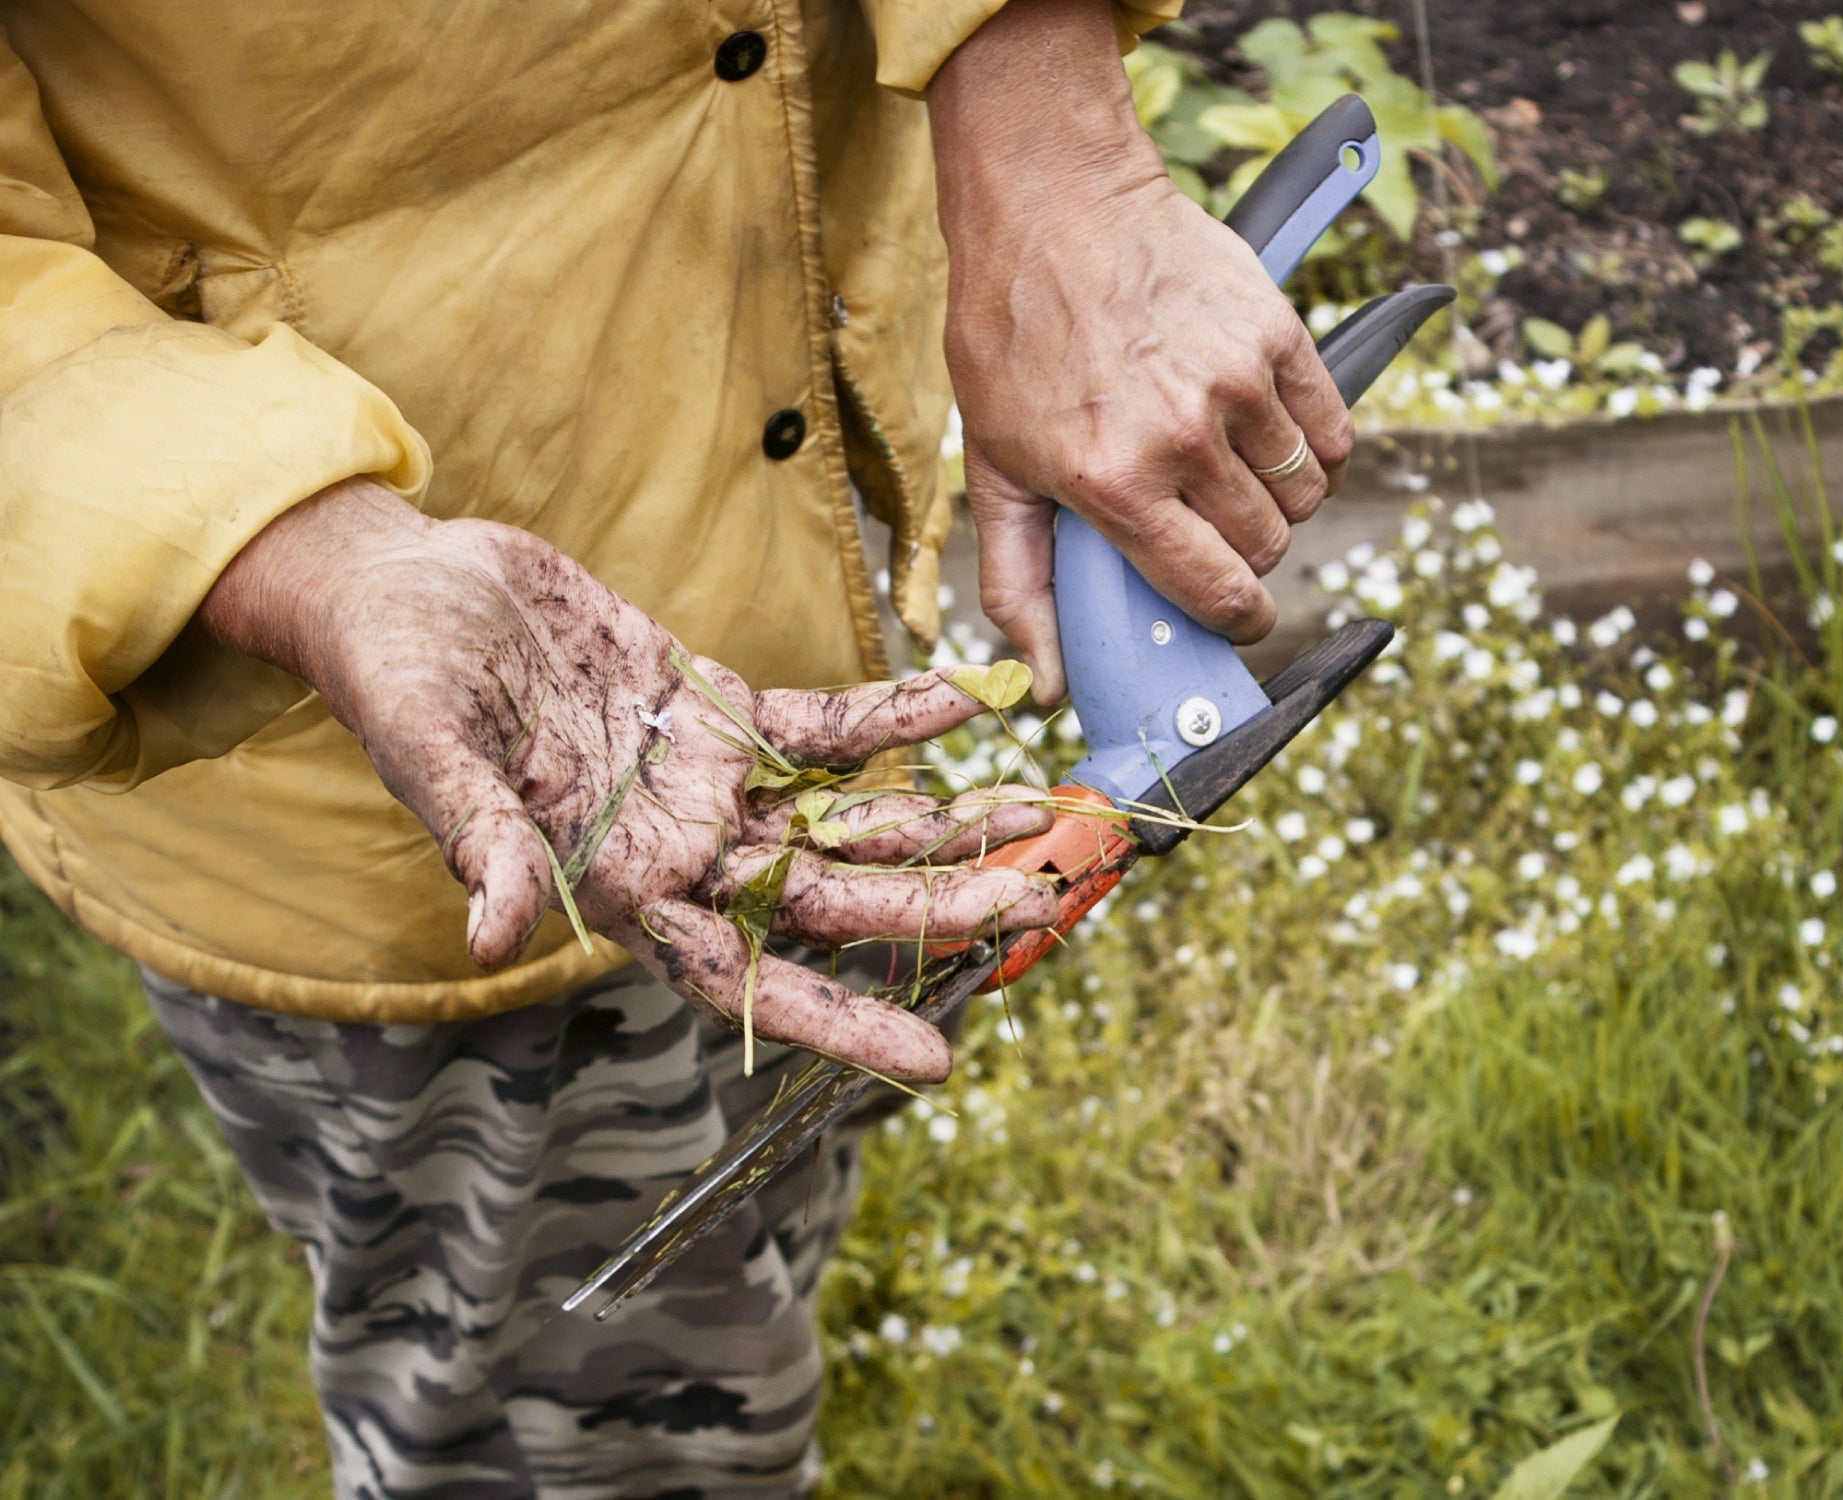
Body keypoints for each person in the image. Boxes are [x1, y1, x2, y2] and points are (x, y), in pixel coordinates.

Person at [0, 0, 1354, 1493]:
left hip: (779, 648)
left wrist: (1041, 121)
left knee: (772, 1196)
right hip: (382, 800)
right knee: (579, 1439)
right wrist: (294, 551)